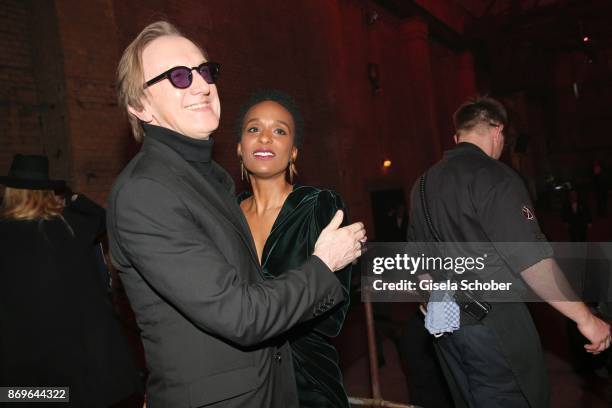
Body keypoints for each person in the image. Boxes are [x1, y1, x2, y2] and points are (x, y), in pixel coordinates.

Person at [108, 21, 366, 408]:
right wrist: (324, 262)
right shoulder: (147, 191)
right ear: (140, 106)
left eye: (204, 71)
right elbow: (240, 314)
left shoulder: (208, 179)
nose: (200, 85)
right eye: (177, 76)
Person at [407, 97, 611, 408]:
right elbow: (531, 260)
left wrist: (432, 301)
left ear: (456, 137)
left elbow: (419, 263)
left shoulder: (421, 185)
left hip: (446, 328)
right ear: (498, 131)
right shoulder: (494, 176)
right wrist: (585, 319)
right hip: (494, 327)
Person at [235, 90, 352, 407]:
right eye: (254, 129)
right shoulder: (226, 216)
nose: (265, 139)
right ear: (240, 148)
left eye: (279, 131)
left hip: (308, 381)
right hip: (243, 382)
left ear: (294, 152)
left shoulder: (320, 207)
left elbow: (333, 317)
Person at [0, 154, 141, 407]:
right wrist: (72, 199)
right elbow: (101, 217)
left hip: (25, 377)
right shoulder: (74, 226)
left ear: (10, 192)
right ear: (49, 191)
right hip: (85, 372)